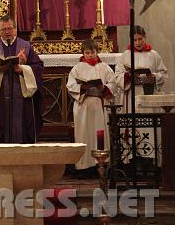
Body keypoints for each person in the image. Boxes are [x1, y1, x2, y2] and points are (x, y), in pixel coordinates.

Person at [0, 14, 43, 144]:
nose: (7, 32)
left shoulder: (25, 46)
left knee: (20, 127)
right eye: (3, 29)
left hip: (21, 96)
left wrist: (23, 69)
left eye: (9, 28)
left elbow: (38, 67)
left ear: (15, 29)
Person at [66, 39, 116, 174]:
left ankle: (101, 164)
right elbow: (71, 85)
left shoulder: (104, 67)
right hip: (84, 105)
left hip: (99, 104)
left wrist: (103, 88)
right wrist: (82, 87)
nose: (90, 55)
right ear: (83, 53)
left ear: (97, 52)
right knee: (84, 135)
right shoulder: (77, 68)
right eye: (87, 53)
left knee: (99, 135)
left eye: (93, 52)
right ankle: (84, 166)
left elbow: (113, 84)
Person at [115, 25, 168, 113]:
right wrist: (128, 76)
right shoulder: (125, 55)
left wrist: (154, 77)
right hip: (132, 92)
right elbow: (117, 75)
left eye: (140, 39)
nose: (138, 43)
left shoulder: (153, 55)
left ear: (145, 37)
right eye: (134, 40)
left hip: (149, 91)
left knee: (149, 119)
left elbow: (164, 74)